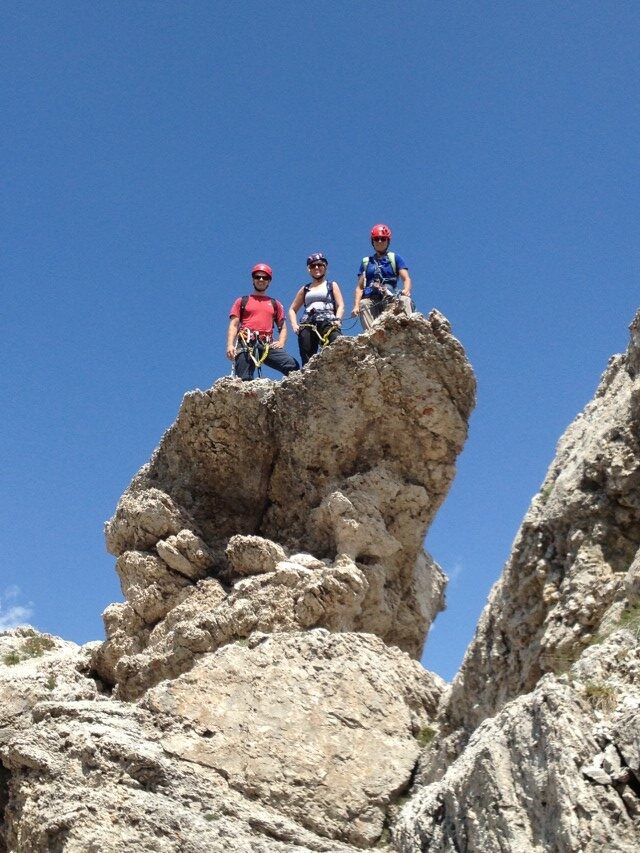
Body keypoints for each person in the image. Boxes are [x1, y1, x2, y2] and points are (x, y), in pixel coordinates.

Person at [227, 263, 299, 380]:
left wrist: (281, 342)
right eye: (258, 277)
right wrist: (230, 345)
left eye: (265, 278)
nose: (261, 280)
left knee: (292, 366)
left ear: (269, 281)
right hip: (246, 342)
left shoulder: (275, 304)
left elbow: (283, 327)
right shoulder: (242, 301)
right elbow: (234, 325)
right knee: (243, 379)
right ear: (253, 279)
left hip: (266, 343)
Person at [351, 223, 413, 331]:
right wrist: (356, 306)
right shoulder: (366, 262)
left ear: (388, 241)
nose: (379, 241)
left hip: (390, 296)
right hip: (372, 299)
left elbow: (406, 278)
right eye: (376, 239)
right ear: (373, 241)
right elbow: (360, 287)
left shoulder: (395, 258)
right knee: (363, 304)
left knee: (405, 300)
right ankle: (372, 334)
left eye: (383, 239)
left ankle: (408, 329)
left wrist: (406, 290)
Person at [288, 253, 345, 367]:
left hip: (328, 320)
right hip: (308, 323)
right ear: (309, 269)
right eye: (313, 266)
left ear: (325, 267)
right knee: (306, 353)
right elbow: (292, 309)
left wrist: (338, 319)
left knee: (337, 341)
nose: (316, 267)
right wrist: (294, 325)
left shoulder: (331, 285)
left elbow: (341, 305)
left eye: (319, 265)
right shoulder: (305, 289)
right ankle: (309, 373)